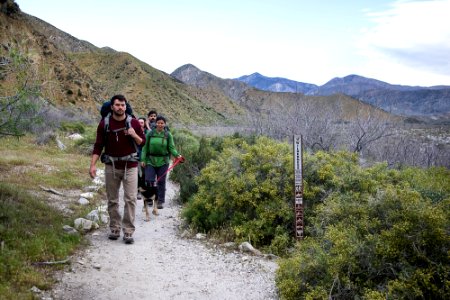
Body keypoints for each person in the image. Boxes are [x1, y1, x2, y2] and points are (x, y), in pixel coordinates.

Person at [89, 95, 146, 244]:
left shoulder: (133, 122)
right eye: (117, 105)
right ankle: (114, 227)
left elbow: (142, 142)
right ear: (112, 107)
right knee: (112, 199)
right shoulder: (104, 124)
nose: (120, 107)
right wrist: (93, 165)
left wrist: (134, 134)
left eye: (123, 105)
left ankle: (128, 231)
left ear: (126, 106)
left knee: (131, 199)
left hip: (130, 166)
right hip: (111, 165)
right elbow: (98, 145)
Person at [140, 115, 182, 209]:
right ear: (155, 123)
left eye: (162, 123)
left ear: (165, 124)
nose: (160, 124)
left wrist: (177, 155)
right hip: (150, 160)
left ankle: (160, 201)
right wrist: (143, 159)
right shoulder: (150, 134)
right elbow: (145, 148)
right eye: (158, 122)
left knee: (161, 181)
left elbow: (171, 148)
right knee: (149, 180)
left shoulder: (168, 135)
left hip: (163, 161)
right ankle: (149, 199)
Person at [137, 117, 149, 200]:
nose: (140, 123)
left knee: (144, 175)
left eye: (142, 122)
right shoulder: (134, 132)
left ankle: (143, 190)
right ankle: (138, 191)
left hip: (145, 158)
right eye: (139, 122)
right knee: (137, 174)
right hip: (136, 157)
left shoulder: (148, 132)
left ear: (144, 123)